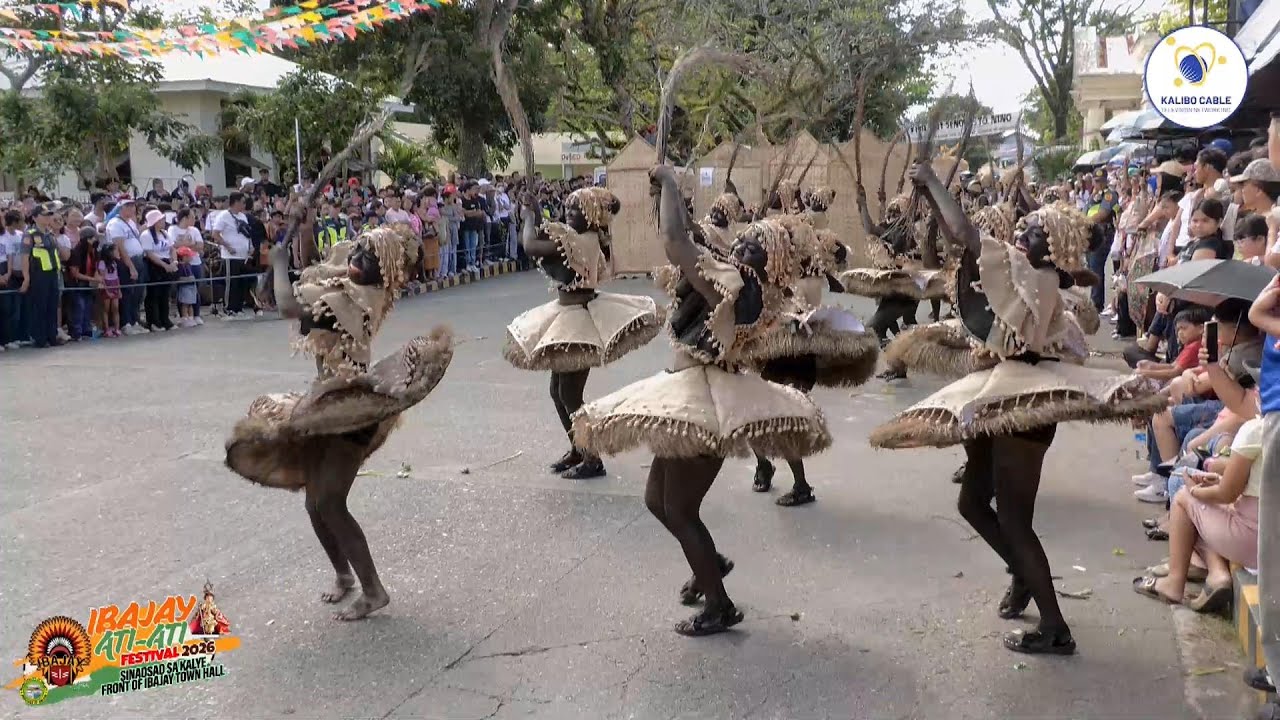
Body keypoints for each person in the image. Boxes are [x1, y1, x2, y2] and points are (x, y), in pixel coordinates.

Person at [870, 162, 1163, 655]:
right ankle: (1023, 574)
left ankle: (1055, 627)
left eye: (1028, 230)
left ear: (1048, 247)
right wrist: (930, 193)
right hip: (999, 393)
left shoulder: (1036, 275)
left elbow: (967, 232)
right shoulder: (1026, 272)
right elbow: (962, 240)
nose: (1017, 232)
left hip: (1022, 405)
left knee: (1014, 519)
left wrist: (935, 183)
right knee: (971, 503)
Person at [572, 166, 831, 635]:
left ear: (767, 262)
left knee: (680, 509)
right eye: (745, 238)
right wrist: (673, 197)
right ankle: (709, 562)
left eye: (753, 244)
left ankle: (720, 604)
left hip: (707, 403)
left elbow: (677, 244)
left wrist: (671, 183)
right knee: (657, 501)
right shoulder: (738, 276)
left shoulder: (742, 290)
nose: (741, 244)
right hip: (686, 393)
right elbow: (692, 238)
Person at [224, 227, 453, 622]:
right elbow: (320, 265)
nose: (357, 259)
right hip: (326, 401)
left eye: (368, 257)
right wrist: (306, 223)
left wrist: (277, 263)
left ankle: (374, 590)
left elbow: (287, 307)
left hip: (348, 413)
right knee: (316, 504)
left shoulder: (356, 299)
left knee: (329, 502)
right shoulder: (348, 286)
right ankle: (344, 575)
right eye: (359, 250)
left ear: (383, 272)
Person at [503, 187, 663, 479]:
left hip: (579, 322)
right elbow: (544, 242)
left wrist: (527, 217)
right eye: (568, 208)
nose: (569, 213)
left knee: (570, 394)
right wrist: (536, 210)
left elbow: (531, 246)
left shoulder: (582, 240)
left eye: (575, 210)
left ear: (591, 216)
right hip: (567, 317)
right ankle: (578, 448)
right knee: (558, 391)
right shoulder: (580, 237)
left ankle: (592, 458)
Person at [1134, 380, 1264, 611]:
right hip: (1263, 531)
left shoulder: (1256, 430)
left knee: (1184, 498)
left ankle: (1174, 584)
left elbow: (1226, 494)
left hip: (1258, 543)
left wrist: (1196, 491)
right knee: (1204, 504)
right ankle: (1215, 572)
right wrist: (1214, 481)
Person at [20, 204, 69, 348]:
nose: (48, 217)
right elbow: (24, 256)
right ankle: (40, 338)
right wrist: (26, 277)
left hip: (53, 273)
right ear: (35, 217)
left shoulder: (50, 234)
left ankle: (51, 336)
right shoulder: (30, 234)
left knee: (52, 306)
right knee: (40, 307)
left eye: (49, 215)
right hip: (39, 275)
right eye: (44, 215)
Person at [104, 199, 149, 335]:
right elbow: (121, 247)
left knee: (138, 293)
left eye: (132, 206)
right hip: (126, 262)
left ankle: (134, 320)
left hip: (139, 259)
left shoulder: (131, 222)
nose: (131, 208)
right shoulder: (115, 224)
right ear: (121, 208)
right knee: (127, 293)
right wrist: (130, 266)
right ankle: (126, 323)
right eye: (128, 206)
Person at [211, 192, 253, 317]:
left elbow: (247, 234)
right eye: (242, 202)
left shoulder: (243, 216)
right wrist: (227, 246)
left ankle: (239, 307)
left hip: (243, 255)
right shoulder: (224, 216)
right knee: (232, 283)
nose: (244, 205)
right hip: (230, 256)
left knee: (242, 282)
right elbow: (215, 234)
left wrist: (250, 247)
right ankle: (229, 307)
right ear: (236, 202)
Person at [139, 209, 176, 332]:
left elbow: (172, 249)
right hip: (154, 265)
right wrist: (164, 266)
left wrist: (173, 262)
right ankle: (154, 321)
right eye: (161, 220)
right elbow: (149, 254)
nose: (164, 222)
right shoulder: (146, 235)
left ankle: (165, 319)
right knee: (154, 295)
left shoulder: (165, 233)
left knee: (165, 294)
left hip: (167, 263)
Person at [169, 209, 205, 326]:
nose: (194, 220)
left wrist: (184, 245)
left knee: (195, 289)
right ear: (184, 218)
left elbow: (200, 245)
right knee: (183, 290)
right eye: (192, 217)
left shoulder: (194, 230)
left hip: (195, 262)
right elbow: (173, 245)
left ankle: (196, 314)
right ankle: (183, 316)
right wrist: (189, 245)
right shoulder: (173, 229)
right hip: (182, 264)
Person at [65, 226, 101, 340]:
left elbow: (95, 266)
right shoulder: (77, 252)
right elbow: (75, 273)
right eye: (93, 238)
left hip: (88, 285)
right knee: (79, 307)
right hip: (77, 285)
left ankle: (86, 330)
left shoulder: (93, 251)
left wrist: (96, 276)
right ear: (87, 239)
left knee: (88, 307)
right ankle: (76, 332)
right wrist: (93, 279)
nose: (96, 240)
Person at [0, 209, 26, 349]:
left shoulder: (21, 235)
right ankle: (4, 339)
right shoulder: (3, 237)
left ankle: (15, 337)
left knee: (16, 308)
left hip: (17, 274)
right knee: (6, 308)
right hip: (6, 273)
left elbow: (13, 255)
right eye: (21, 220)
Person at [97, 243, 122, 337]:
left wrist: (119, 289)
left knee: (115, 308)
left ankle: (117, 328)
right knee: (106, 309)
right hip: (107, 284)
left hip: (115, 284)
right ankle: (106, 329)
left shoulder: (114, 262)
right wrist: (107, 290)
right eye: (114, 250)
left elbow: (117, 276)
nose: (116, 252)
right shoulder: (102, 263)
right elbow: (102, 277)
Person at [460, 183, 485, 272]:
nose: (474, 191)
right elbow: (464, 213)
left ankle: (473, 263)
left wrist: (470, 213)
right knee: (467, 246)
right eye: (473, 189)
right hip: (466, 227)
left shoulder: (475, 200)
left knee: (473, 246)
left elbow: (479, 212)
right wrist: (472, 212)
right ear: (468, 189)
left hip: (474, 226)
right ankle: (467, 263)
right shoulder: (462, 200)